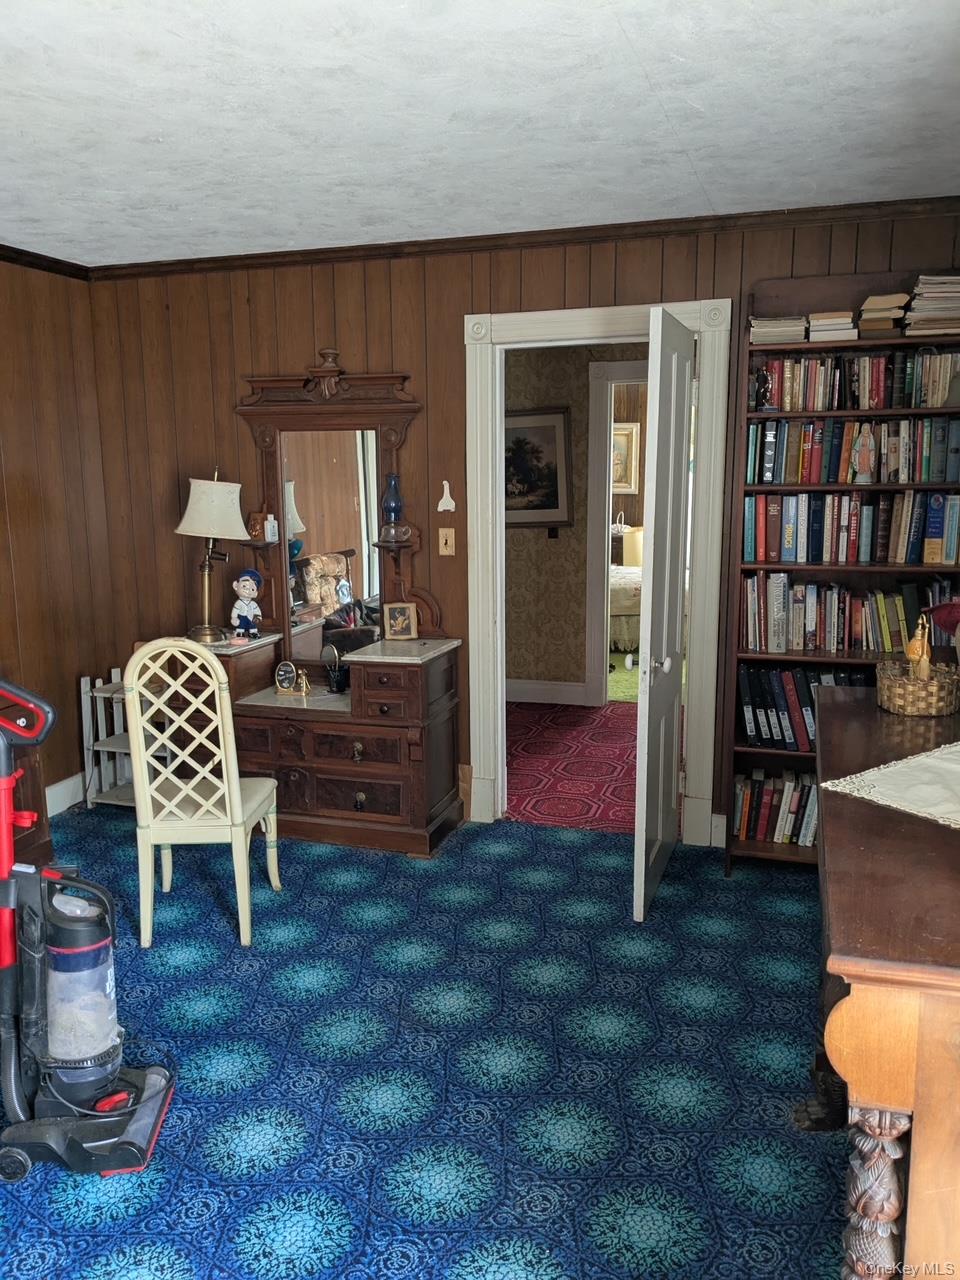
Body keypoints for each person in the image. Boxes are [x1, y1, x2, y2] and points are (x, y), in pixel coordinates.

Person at [230, 569, 263, 640]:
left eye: (252, 589)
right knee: (241, 624)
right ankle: (240, 632)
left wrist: (258, 617)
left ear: (256, 593)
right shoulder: (239, 603)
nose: (248, 591)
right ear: (235, 585)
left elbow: (257, 611)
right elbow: (235, 611)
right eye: (244, 586)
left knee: (252, 625)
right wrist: (234, 618)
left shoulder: (253, 604)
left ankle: (253, 632)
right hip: (242, 617)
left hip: (251, 617)